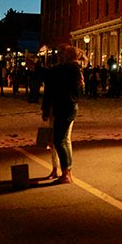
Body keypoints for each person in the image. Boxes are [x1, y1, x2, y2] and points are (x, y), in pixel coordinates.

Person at [41, 45, 84, 183]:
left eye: (62, 53)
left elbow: (52, 78)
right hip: (65, 106)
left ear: (68, 56)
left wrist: (37, 67)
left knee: (59, 140)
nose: (59, 55)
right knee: (63, 140)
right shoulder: (70, 68)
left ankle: (66, 173)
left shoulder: (70, 68)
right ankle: (64, 171)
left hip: (65, 107)